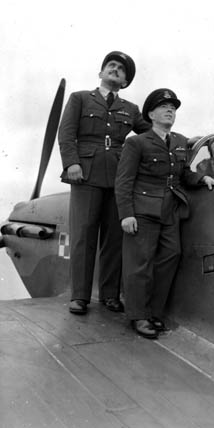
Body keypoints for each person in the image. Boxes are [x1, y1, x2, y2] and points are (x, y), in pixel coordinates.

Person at [58, 51, 150, 315]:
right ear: (101, 73)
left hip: (119, 177)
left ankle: (109, 295)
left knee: (114, 238)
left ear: (125, 81)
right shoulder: (80, 98)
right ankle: (80, 296)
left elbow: (150, 135)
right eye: (111, 65)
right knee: (83, 235)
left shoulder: (131, 110)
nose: (115, 69)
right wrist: (71, 163)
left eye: (121, 69)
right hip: (85, 172)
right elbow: (66, 134)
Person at [115, 88, 203, 339]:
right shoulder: (137, 142)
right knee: (139, 264)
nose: (170, 111)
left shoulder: (179, 141)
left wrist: (201, 177)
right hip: (142, 211)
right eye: (164, 107)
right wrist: (126, 214)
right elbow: (124, 181)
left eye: (173, 108)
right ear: (151, 114)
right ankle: (138, 316)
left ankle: (154, 312)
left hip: (170, 210)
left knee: (171, 256)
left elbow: (184, 173)